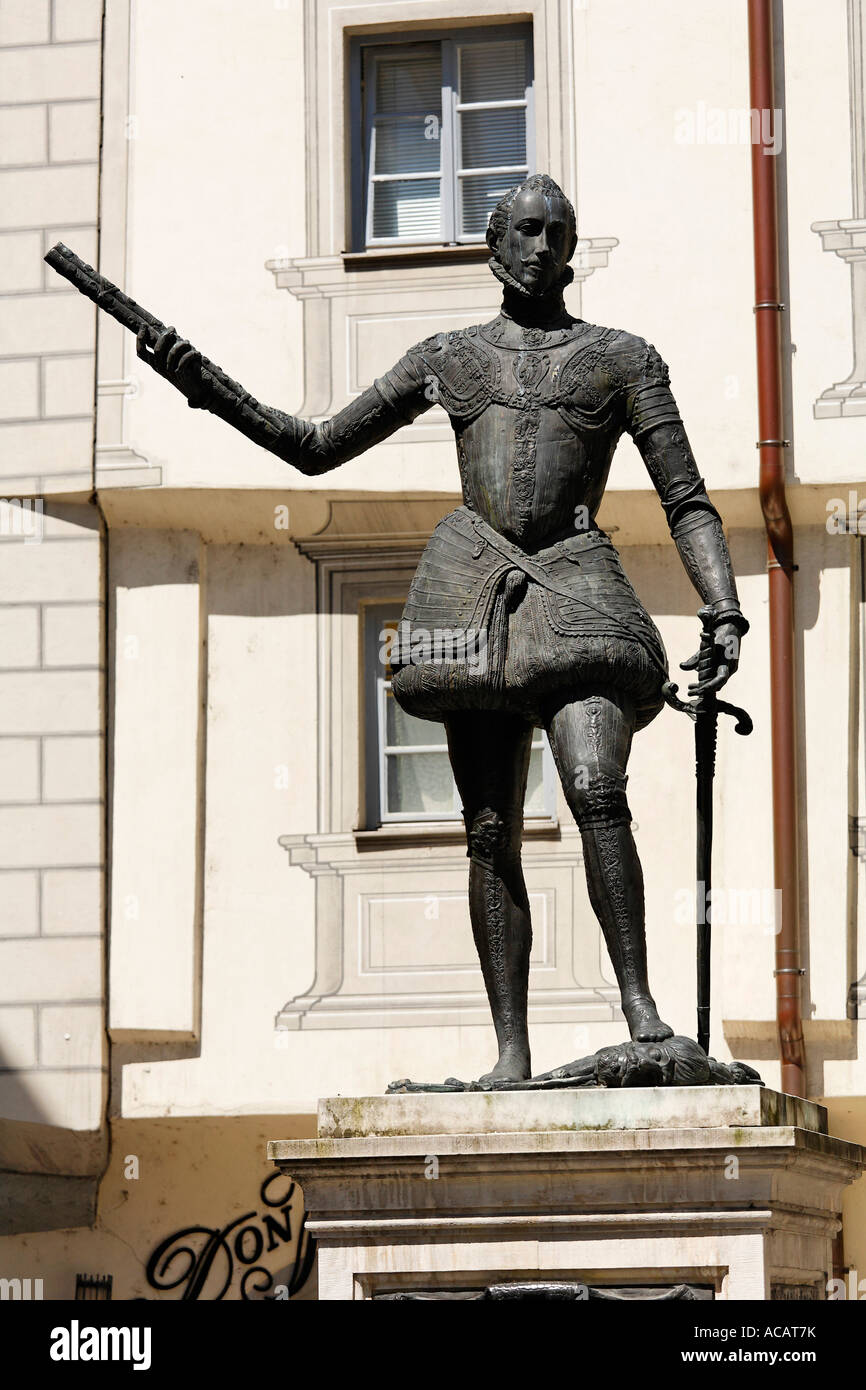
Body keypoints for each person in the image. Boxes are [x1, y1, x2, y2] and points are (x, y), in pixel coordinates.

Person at [139, 174, 748, 1083]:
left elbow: (687, 499)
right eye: (526, 231)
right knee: (489, 824)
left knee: (594, 788)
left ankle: (642, 1010)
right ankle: (510, 1054)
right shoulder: (450, 356)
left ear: (572, 251)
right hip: (475, 593)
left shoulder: (623, 358)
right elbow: (314, 446)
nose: (543, 247)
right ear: (492, 249)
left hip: (580, 588)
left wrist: (724, 606)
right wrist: (205, 388)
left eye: (557, 233)